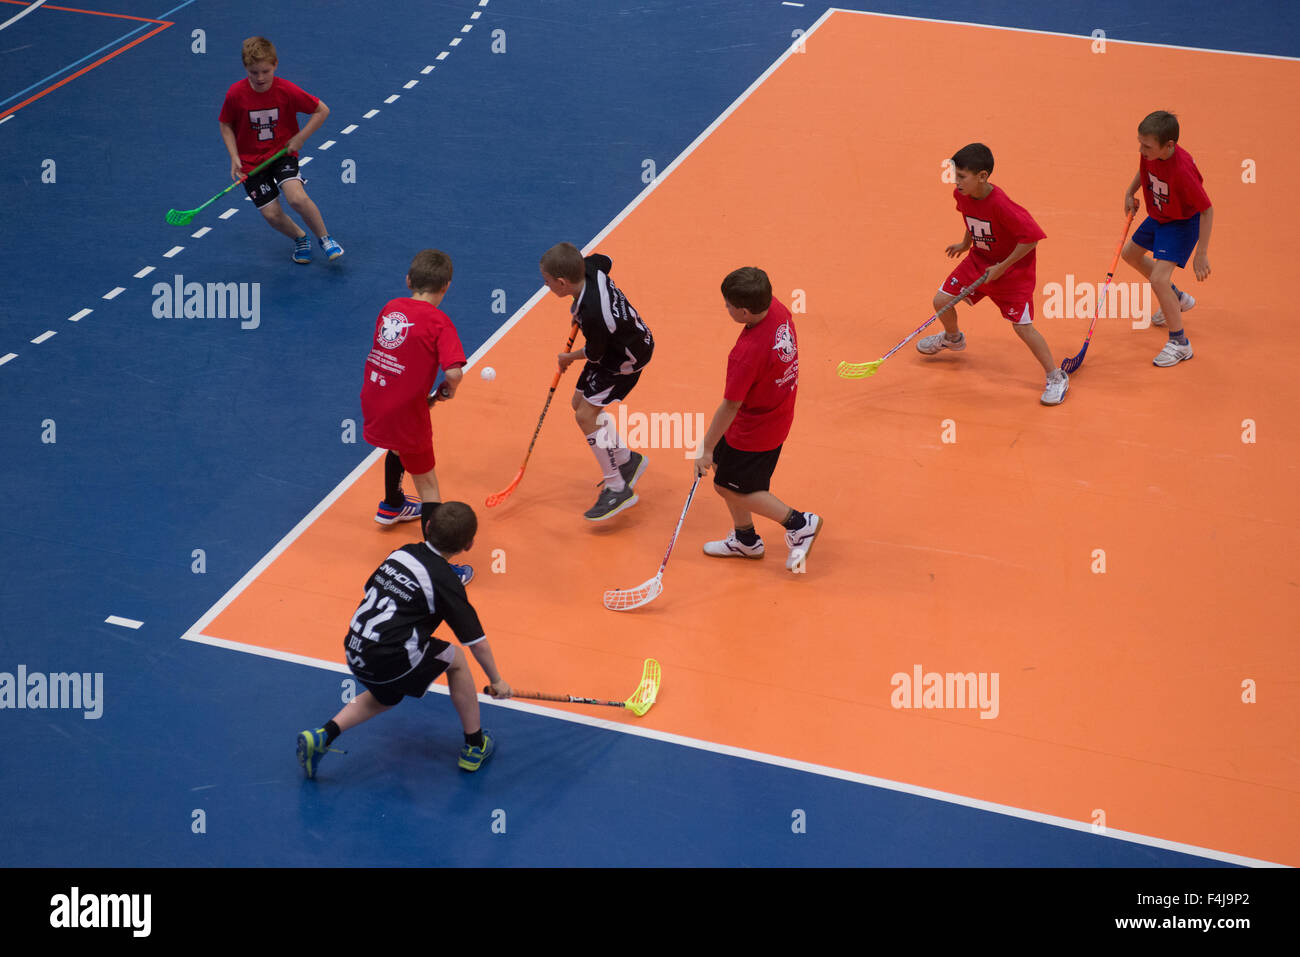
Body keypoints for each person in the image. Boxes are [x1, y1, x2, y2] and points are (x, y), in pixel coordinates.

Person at [296, 502, 512, 778]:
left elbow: (368, 590)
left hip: (355, 647)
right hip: (390, 655)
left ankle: (323, 735)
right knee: (456, 659)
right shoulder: (446, 581)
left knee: (386, 696)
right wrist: (497, 681)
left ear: (428, 526)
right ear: (469, 545)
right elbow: (477, 642)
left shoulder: (402, 554)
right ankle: (475, 744)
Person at [916, 143, 1068, 405]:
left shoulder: (1002, 205)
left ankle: (1056, 376)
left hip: (1011, 273)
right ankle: (953, 339)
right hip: (979, 261)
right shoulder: (962, 195)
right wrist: (966, 244)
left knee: (1023, 327)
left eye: (962, 176)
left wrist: (1002, 267)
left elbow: (1031, 239)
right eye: (955, 174)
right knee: (941, 301)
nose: (956, 181)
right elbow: (969, 215)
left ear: (982, 176)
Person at [694, 267, 822, 571]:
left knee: (729, 487)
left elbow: (730, 405)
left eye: (728, 305)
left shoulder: (746, 353)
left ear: (744, 311)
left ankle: (799, 523)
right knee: (727, 474)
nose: (725, 308)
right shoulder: (775, 308)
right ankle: (746, 540)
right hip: (775, 411)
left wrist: (705, 447)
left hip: (756, 429)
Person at [361, 250, 473, 584]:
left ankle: (392, 504)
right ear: (447, 287)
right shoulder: (440, 322)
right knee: (428, 484)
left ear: (408, 281)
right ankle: (437, 565)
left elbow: (398, 356)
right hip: (408, 413)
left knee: (396, 446)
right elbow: (453, 371)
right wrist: (445, 391)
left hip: (374, 399)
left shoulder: (390, 308)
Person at [540, 242, 653, 521]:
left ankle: (617, 487)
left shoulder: (593, 314)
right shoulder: (590, 267)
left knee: (584, 415)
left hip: (625, 358)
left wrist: (568, 358)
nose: (546, 286)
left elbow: (594, 352)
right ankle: (627, 460)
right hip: (615, 345)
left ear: (563, 283)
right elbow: (606, 259)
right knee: (578, 402)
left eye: (548, 282)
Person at [218, 36, 343, 263]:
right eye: (253, 72)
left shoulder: (286, 90)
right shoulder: (235, 94)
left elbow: (322, 110)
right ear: (245, 68)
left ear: (275, 64)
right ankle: (300, 237)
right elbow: (225, 124)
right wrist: (234, 157)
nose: (260, 78)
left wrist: (300, 138)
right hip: (251, 163)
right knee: (272, 215)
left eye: (265, 71)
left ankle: (325, 239)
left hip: (282, 154)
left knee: (296, 198)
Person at [1120, 110, 1213, 366]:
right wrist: (1130, 192)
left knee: (1159, 279)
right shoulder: (1151, 154)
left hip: (1180, 224)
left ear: (1169, 145)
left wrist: (1201, 253)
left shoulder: (1182, 170)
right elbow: (1144, 169)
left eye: (1146, 145)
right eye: (1140, 142)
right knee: (1130, 254)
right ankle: (1177, 298)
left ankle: (1180, 343)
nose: (1141, 149)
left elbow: (1207, 209)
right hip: (1159, 216)